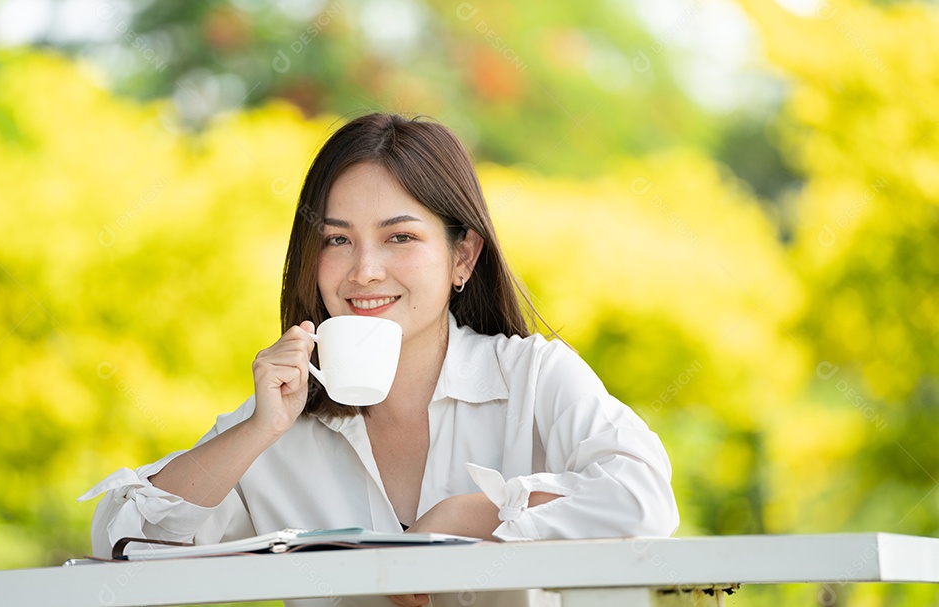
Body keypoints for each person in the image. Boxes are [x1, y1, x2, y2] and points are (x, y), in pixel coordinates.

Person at [79, 113, 679, 607]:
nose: (364, 270)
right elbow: (125, 542)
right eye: (337, 240)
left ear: (462, 256)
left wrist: (463, 514)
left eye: (400, 237)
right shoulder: (281, 426)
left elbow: (642, 497)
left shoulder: (533, 379)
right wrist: (258, 431)